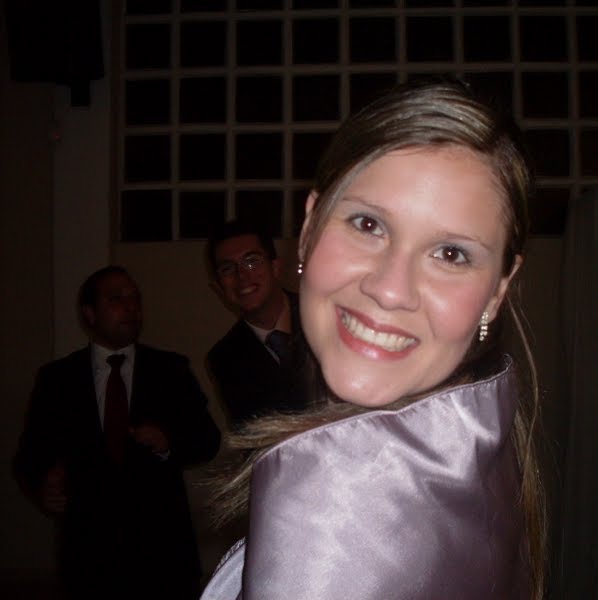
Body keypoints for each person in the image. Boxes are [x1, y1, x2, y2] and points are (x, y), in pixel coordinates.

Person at [202, 78, 546, 600]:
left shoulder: (331, 515)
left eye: (451, 254)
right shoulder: (484, 454)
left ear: (498, 291)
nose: (389, 290)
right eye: (368, 224)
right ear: (310, 227)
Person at [13, 265, 221, 600]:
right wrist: (43, 483)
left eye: (135, 298)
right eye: (116, 299)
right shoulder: (58, 379)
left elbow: (207, 439)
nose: (130, 307)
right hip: (88, 556)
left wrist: (169, 441)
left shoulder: (170, 369)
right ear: (89, 313)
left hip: (163, 555)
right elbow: (30, 454)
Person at [206, 220, 307, 430]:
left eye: (251, 262)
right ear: (218, 287)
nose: (242, 276)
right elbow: (255, 434)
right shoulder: (224, 359)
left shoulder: (321, 314)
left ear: (275, 267)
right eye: (227, 269)